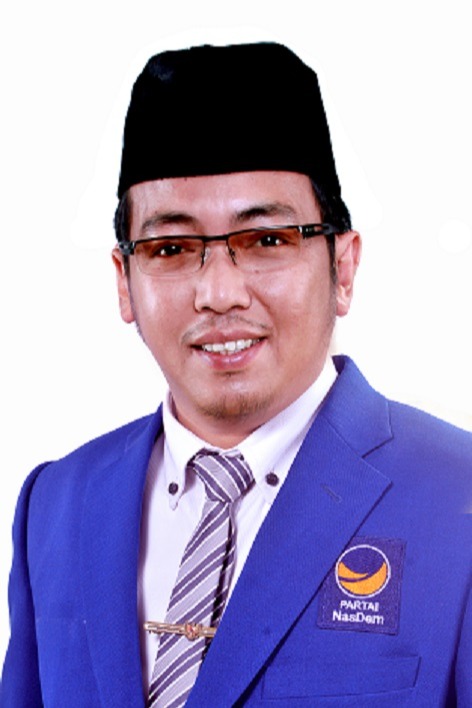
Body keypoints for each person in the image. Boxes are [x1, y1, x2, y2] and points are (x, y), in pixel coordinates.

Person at [1, 42, 471, 708]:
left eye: (267, 240)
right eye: (170, 247)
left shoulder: (458, 501)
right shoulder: (57, 504)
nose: (219, 294)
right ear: (125, 282)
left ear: (342, 268)